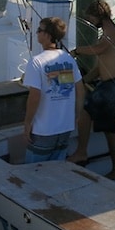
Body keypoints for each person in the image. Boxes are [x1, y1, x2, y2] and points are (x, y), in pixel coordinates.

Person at [67, 0, 115, 180]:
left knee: (89, 110)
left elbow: (99, 49)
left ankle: (83, 153)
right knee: (104, 124)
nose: (90, 21)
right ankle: (111, 165)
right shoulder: (108, 32)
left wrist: (77, 51)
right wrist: (82, 80)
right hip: (110, 85)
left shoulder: (111, 29)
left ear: (98, 15)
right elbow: (100, 67)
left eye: (90, 17)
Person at [23, 17, 84, 163]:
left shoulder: (36, 62)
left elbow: (34, 96)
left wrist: (27, 123)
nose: (37, 33)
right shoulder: (69, 59)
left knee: (33, 172)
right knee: (57, 168)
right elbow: (80, 91)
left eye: (39, 30)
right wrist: (77, 115)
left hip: (44, 130)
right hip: (65, 128)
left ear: (48, 35)